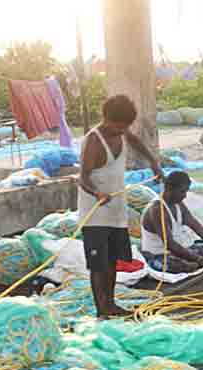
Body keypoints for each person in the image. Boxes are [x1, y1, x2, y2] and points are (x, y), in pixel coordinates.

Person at [78, 94, 163, 318]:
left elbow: (136, 143)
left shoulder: (122, 132)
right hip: (95, 213)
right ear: (107, 118)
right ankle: (101, 310)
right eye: (118, 126)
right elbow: (83, 178)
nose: (122, 130)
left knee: (112, 261)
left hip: (116, 211)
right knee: (99, 265)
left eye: (125, 126)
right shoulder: (94, 141)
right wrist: (97, 193)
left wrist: (154, 163)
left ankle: (111, 304)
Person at [140, 171, 203, 274]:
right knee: (183, 265)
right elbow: (170, 245)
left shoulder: (178, 204)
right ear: (169, 189)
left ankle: (194, 262)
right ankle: (193, 264)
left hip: (177, 250)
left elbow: (199, 229)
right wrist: (199, 259)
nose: (185, 196)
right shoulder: (157, 210)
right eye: (182, 191)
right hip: (158, 255)